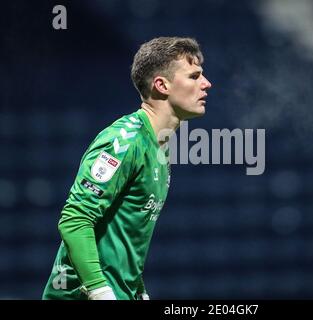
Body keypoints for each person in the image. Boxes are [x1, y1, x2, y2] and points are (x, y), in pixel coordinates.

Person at [42, 37, 212, 300]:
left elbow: (123, 238)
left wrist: (137, 290)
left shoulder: (159, 148)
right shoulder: (124, 141)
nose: (206, 83)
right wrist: (100, 291)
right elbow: (74, 220)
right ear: (162, 85)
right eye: (194, 76)